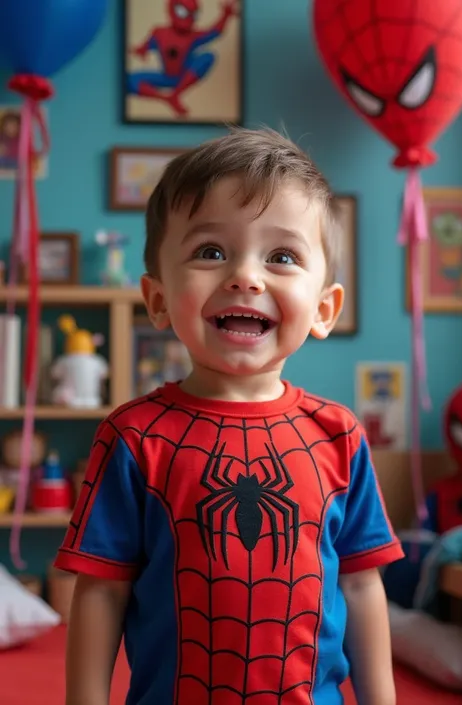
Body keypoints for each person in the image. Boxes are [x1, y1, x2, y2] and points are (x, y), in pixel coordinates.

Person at [55, 127, 402, 705]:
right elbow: (100, 593)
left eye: (282, 256)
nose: (246, 275)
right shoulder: (132, 437)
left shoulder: (338, 434)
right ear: (159, 299)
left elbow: (363, 585)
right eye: (210, 252)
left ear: (323, 308)